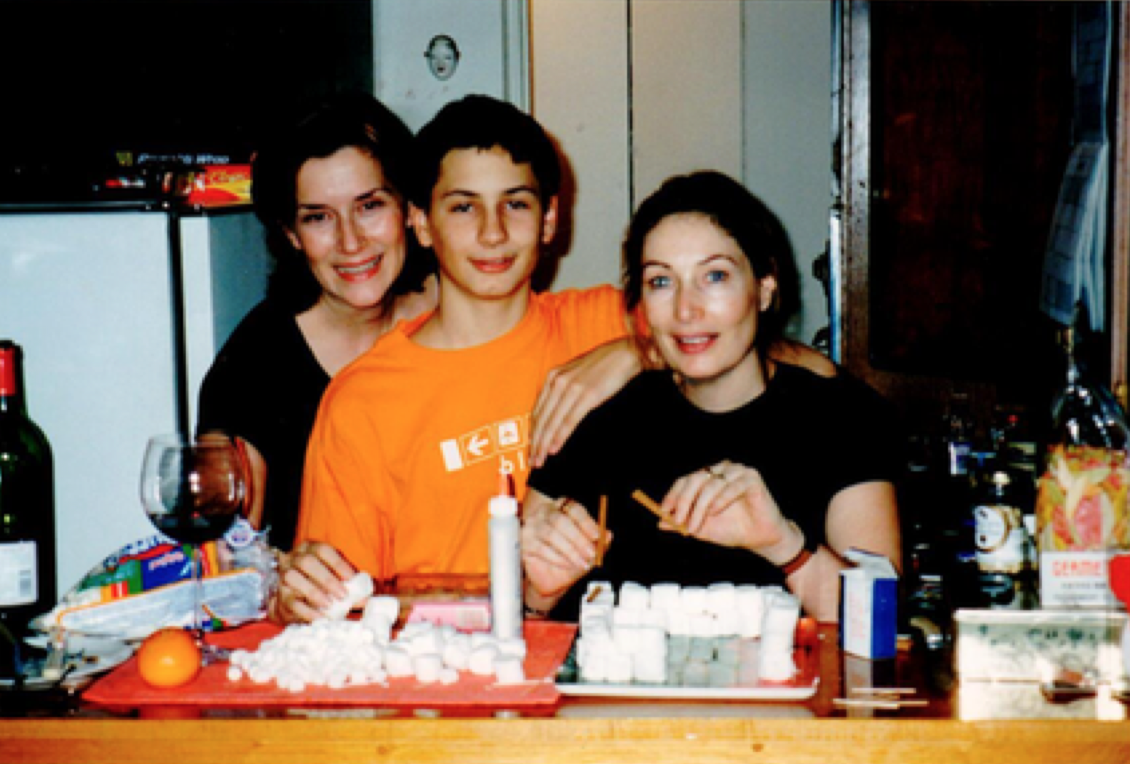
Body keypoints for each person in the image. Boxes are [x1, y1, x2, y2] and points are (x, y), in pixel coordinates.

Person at [274, 98, 837, 623]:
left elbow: (812, 372)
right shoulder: (362, 400)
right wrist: (296, 597)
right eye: (463, 207)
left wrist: (634, 352)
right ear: (421, 223)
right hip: (446, 683)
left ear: (548, 219)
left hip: (603, 672)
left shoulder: (613, 319)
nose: (493, 233)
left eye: (515, 204)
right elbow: (337, 605)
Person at [521, 171, 902, 623]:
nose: (686, 310)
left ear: (764, 288)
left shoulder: (840, 418)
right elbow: (525, 622)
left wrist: (785, 546)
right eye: (661, 282)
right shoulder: (602, 416)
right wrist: (538, 597)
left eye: (715, 276)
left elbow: (882, 622)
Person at [195, 92, 438, 551]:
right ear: (291, 235)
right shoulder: (254, 368)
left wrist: (620, 354)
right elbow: (226, 550)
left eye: (369, 206)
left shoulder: (463, 312)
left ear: (408, 209)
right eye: (319, 217)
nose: (351, 241)